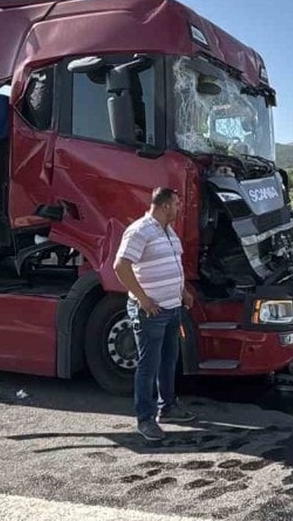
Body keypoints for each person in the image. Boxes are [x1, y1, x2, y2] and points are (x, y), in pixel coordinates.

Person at [114, 187, 197, 441]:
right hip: (151, 312)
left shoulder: (168, 231)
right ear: (164, 206)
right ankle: (145, 419)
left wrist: (183, 291)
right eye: (177, 203)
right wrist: (143, 299)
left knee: (168, 360)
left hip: (172, 308)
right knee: (148, 365)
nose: (179, 208)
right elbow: (121, 265)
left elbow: (174, 265)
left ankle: (168, 407)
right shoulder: (139, 230)